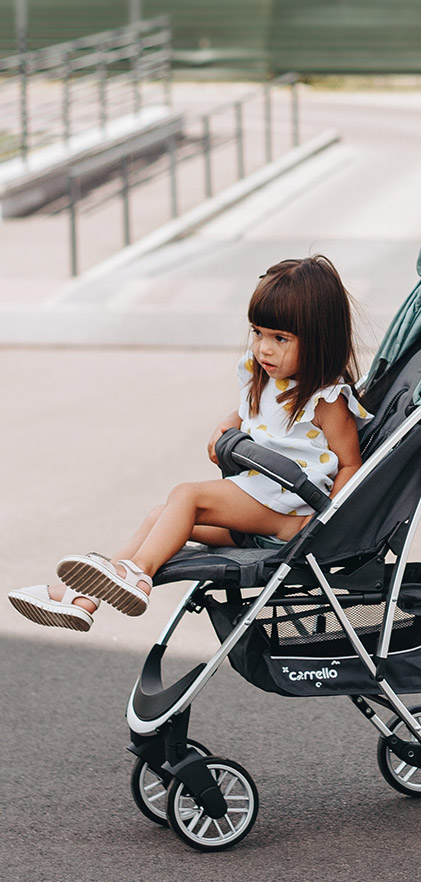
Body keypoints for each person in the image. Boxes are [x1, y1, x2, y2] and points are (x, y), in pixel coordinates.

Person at [9, 255, 371, 633]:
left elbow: (349, 463)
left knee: (186, 495)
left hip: (289, 511)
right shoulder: (266, 377)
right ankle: (83, 598)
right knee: (158, 517)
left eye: (280, 339)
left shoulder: (328, 401)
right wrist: (227, 426)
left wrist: (322, 524)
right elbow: (251, 416)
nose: (264, 349)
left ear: (319, 339)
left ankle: (138, 574)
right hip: (260, 502)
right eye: (258, 333)